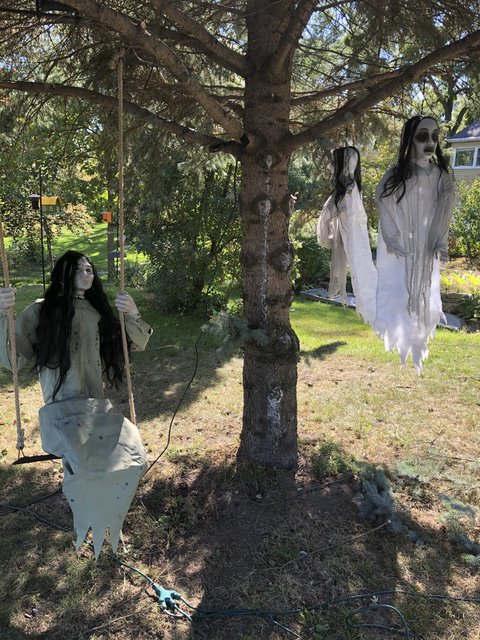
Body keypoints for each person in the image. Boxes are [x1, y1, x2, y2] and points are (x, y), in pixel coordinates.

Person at [0, 250, 153, 557]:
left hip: (95, 404)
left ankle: (106, 516)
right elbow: (12, 359)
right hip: (62, 406)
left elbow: (134, 344)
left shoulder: (98, 312)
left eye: (90, 269)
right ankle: (91, 521)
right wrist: (2, 315)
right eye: (79, 269)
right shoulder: (41, 310)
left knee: (134, 455)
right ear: (63, 273)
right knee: (82, 463)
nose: (87, 274)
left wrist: (133, 314)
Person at [375, 115, 456, 371]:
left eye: (435, 136)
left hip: (426, 249)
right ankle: (400, 335)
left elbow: (446, 208)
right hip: (403, 249)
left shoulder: (440, 177)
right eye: (423, 136)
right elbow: (384, 202)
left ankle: (418, 337)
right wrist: (392, 237)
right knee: (400, 291)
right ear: (409, 140)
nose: (430, 142)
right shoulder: (395, 176)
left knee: (423, 292)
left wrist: (439, 240)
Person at [317, 146, 377, 325]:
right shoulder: (353, 190)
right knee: (365, 274)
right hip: (357, 243)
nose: (330, 167)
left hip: (355, 243)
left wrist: (328, 239)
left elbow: (324, 220)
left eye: (333, 163)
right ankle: (374, 311)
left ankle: (374, 311)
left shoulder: (346, 193)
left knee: (365, 275)